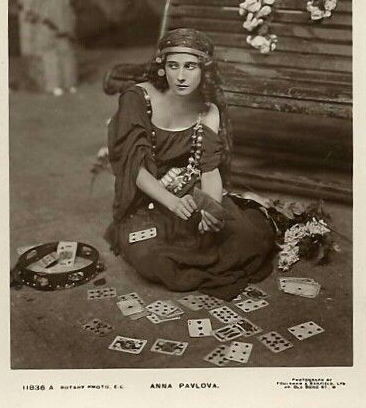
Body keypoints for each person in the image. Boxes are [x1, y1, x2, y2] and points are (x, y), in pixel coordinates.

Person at [106, 28, 276, 301]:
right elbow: (133, 168)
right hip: (148, 199)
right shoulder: (137, 98)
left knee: (246, 240)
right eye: (173, 66)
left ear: (204, 71)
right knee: (155, 259)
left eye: (190, 66)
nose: (181, 76)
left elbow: (208, 170)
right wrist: (172, 202)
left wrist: (213, 210)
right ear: (163, 68)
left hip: (189, 188)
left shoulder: (208, 109)